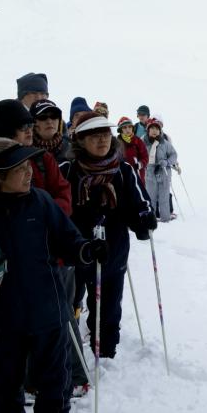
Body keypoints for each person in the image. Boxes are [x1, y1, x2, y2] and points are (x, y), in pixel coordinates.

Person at [0, 138, 107, 413]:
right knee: (4, 375)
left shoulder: (40, 201)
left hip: (47, 308)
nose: (28, 172)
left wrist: (88, 250)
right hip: (1, 315)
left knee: (53, 374)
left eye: (28, 166)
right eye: (19, 168)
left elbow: (68, 239)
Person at [60, 112, 157, 360]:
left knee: (110, 307)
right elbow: (57, 210)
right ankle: (72, 359)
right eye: (94, 135)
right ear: (80, 140)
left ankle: (104, 354)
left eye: (105, 134)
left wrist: (144, 218)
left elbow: (139, 201)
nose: (102, 140)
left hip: (113, 251)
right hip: (77, 252)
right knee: (70, 303)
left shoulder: (123, 169)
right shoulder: (69, 170)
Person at [143, 117, 179, 223]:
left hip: (164, 171)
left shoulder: (165, 143)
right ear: (148, 130)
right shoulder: (143, 141)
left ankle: (165, 218)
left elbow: (174, 155)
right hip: (149, 172)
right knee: (150, 197)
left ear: (160, 131)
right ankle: (152, 218)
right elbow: (140, 154)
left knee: (164, 196)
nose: (154, 131)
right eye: (152, 128)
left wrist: (167, 162)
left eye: (156, 129)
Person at [30, 99, 70, 164]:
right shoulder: (25, 153)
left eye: (54, 116)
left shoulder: (72, 150)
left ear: (59, 121)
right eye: (42, 117)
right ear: (33, 123)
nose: (49, 121)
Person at [117, 116, 148, 186]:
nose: (128, 129)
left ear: (132, 128)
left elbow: (145, 157)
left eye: (129, 127)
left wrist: (140, 164)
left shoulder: (138, 141)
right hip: (122, 177)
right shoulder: (117, 143)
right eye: (124, 127)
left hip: (138, 177)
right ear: (120, 130)